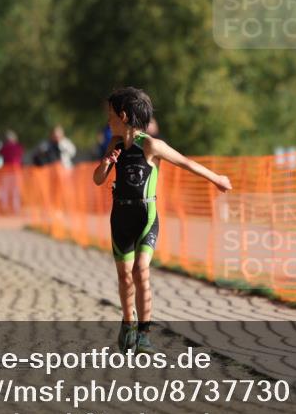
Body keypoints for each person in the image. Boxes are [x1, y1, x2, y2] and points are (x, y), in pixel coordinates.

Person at [93, 87, 232, 354]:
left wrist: (216, 179)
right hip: (120, 216)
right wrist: (106, 162)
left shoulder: (151, 145)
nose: (108, 122)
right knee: (124, 276)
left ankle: (144, 333)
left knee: (140, 271)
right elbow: (98, 179)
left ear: (123, 116)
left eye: (110, 117)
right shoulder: (115, 146)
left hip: (146, 217)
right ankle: (128, 322)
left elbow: (186, 162)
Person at [0, 130, 24, 214]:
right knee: (8, 191)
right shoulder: (15, 147)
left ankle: (12, 208)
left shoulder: (12, 147)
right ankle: (7, 208)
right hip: (9, 172)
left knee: (12, 191)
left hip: (13, 172)